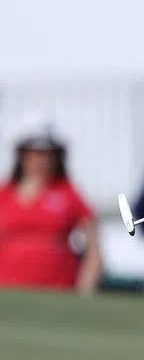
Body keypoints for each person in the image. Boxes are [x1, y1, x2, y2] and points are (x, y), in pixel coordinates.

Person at [0, 121, 101, 294]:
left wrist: (85, 288)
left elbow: (93, 249)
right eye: (36, 153)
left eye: (49, 154)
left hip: (57, 288)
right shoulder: (5, 193)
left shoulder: (68, 193)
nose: (42, 160)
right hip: (7, 287)